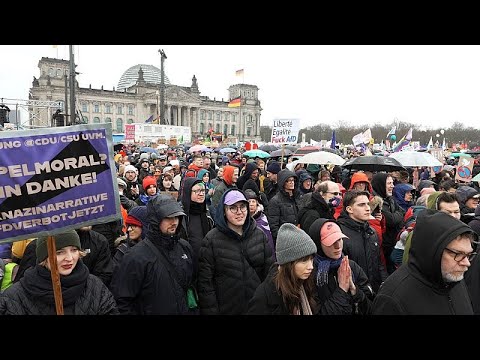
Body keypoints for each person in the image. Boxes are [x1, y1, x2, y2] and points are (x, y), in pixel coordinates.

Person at [372, 209, 477, 315]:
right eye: (458, 254)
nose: (466, 263)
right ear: (432, 250)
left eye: (468, 255)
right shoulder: (392, 299)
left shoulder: (454, 279)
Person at [110, 195, 195, 315]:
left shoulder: (184, 247)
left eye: (177, 217)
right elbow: (122, 301)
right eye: (168, 217)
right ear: (155, 220)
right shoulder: (135, 256)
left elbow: (192, 285)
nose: (174, 222)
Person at [0, 230, 118, 315]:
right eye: (59, 252)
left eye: (74, 250)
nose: (69, 258)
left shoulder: (95, 287)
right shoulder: (15, 297)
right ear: (43, 257)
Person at [197, 189, 274, 315]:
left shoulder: (259, 235)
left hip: (257, 308)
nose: (239, 212)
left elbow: (270, 274)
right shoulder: (211, 240)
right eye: (233, 208)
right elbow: (206, 285)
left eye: (243, 207)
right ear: (224, 211)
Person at [247, 223, 317, 315]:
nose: (310, 266)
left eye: (311, 259)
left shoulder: (304, 284)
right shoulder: (265, 296)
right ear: (288, 263)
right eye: (304, 261)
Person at [308, 218, 373, 315]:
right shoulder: (310, 274)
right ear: (318, 244)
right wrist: (342, 290)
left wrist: (354, 290)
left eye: (340, 239)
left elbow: (371, 307)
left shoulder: (351, 266)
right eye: (331, 242)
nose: (338, 246)